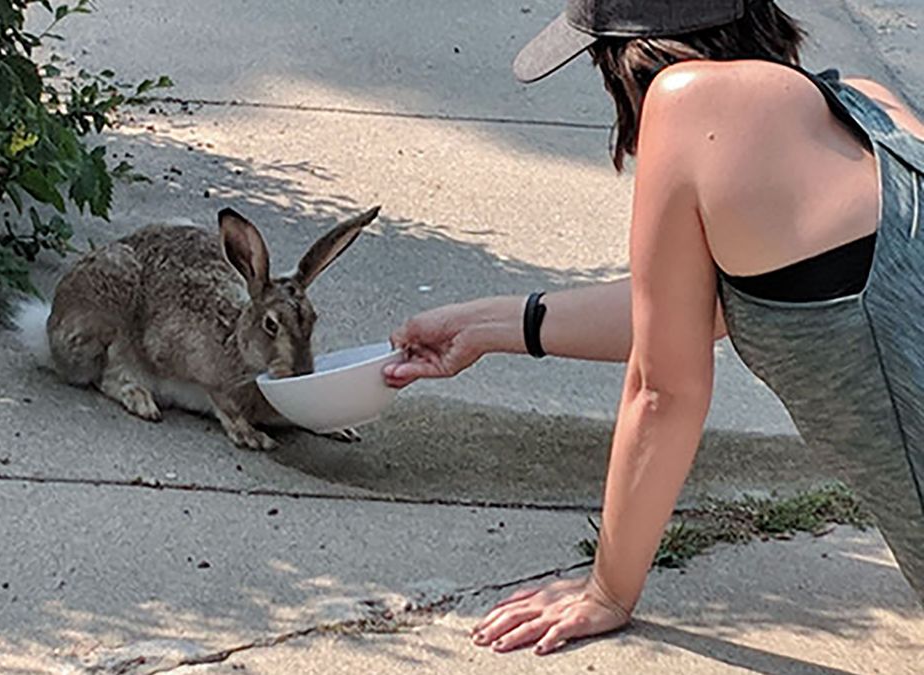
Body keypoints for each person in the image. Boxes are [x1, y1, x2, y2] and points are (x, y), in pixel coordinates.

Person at [384, 0, 924, 656]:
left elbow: (664, 389)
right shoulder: (867, 111)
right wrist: (493, 323)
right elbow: (696, 307)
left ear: (631, 57)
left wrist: (607, 590)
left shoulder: (687, 99)